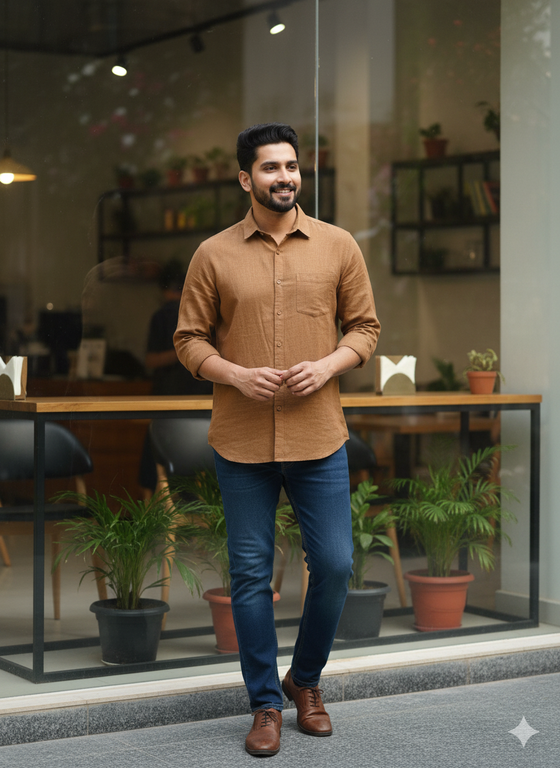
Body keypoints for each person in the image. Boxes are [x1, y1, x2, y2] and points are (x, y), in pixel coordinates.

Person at [174, 123, 380, 757]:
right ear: (246, 179)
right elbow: (188, 340)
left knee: (338, 566)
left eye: (292, 166)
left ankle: (305, 681)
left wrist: (329, 365)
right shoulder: (213, 254)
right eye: (271, 168)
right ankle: (265, 703)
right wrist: (233, 373)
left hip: (320, 437)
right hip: (240, 442)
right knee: (250, 576)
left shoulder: (339, 246)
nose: (285, 177)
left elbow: (366, 329)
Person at [139, 260, 212, 491]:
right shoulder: (207, 314)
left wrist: (186, 350)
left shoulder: (162, 315)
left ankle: (154, 511)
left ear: (163, 290)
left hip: (168, 399)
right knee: (199, 455)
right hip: (203, 397)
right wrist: (192, 352)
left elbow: (151, 360)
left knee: (158, 455)